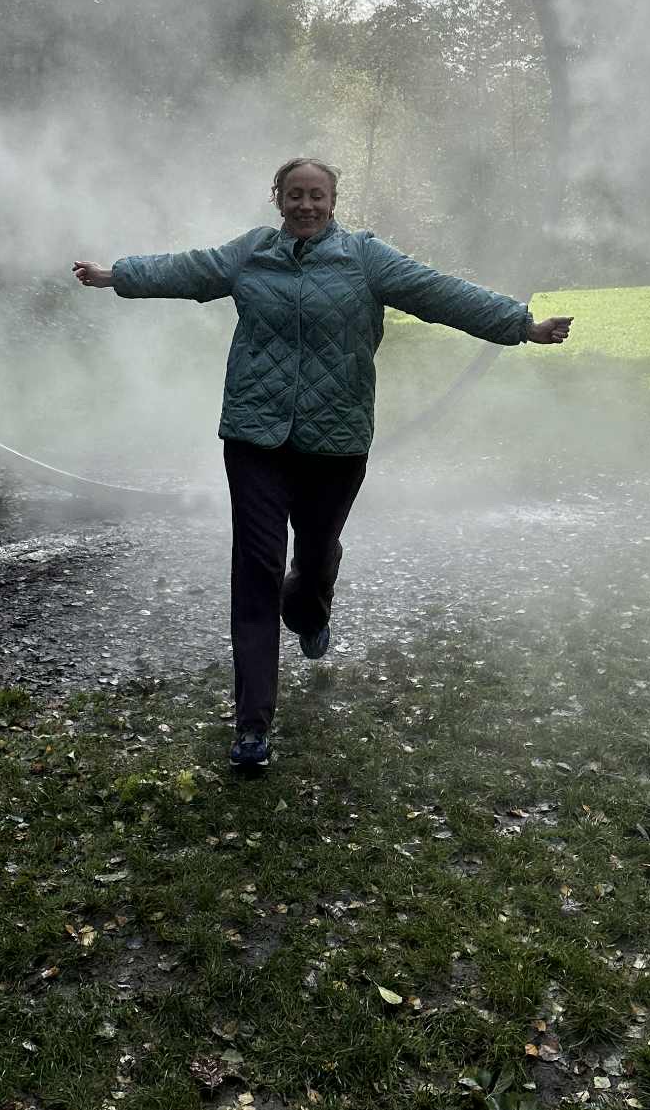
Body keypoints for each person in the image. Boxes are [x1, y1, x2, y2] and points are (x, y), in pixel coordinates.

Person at [74, 157, 571, 770]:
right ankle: (252, 728)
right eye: (295, 195)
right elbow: (189, 268)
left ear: (333, 202)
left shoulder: (365, 257)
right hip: (254, 437)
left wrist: (522, 326)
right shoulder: (252, 252)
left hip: (336, 441)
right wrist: (115, 275)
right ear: (278, 199)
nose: (306, 205)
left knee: (313, 557)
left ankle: (309, 610)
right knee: (256, 569)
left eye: (317, 195)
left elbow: (439, 292)